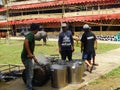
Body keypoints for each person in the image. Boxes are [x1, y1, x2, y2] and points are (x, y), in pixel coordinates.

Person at [21, 23, 40, 90]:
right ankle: (29, 88)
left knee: (28, 72)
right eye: (38, 29)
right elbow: (26, 42)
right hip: (26, 57)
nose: (38, 31)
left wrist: (34, 58)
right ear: (36, 29)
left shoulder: (30, 34)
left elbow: (31, 50)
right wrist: (29, 53)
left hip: (27, 57)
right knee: (30, 73)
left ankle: (29, 86)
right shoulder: (31, 35)